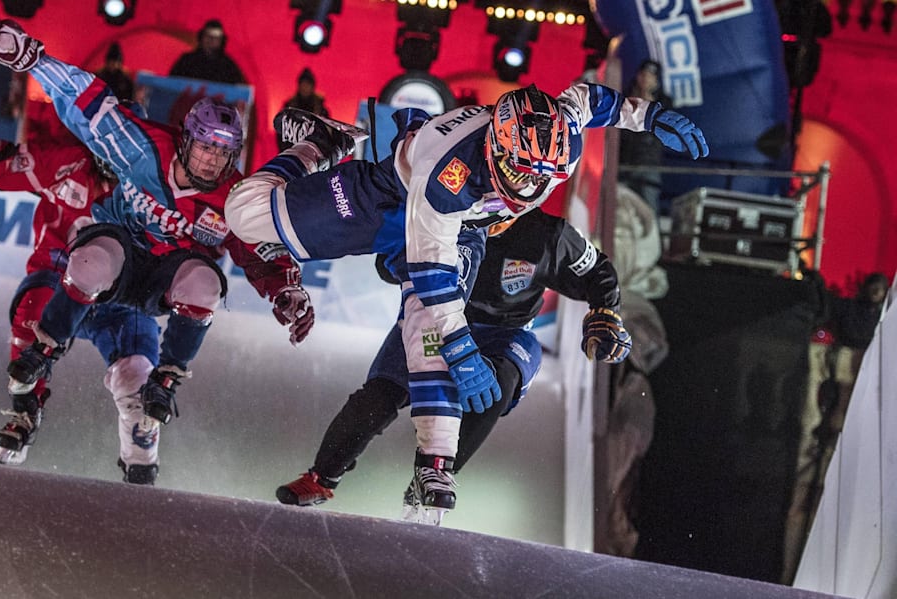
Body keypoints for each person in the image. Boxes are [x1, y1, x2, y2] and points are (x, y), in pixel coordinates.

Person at [225, 82, 707, 517]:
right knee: (244, 214)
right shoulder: (450, 176)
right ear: (494, 147)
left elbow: (589, 101)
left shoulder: (556, 161)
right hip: (395, 198)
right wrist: (460, 348)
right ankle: (321, 144)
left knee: (441, 344)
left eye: (543, 176)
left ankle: (436, 467)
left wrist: (647, 116)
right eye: (518, 171)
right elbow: (430, 273)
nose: (528, 187)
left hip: (468, 249)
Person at [0, 20, 314, 481]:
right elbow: (86, 103)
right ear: (185, 139)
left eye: (223, 153)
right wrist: (34, 60)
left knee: (198, 295)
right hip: (98, 265)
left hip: (147, 290)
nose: (212, 160)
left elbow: (259, 247)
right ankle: (31, 387)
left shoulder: (231, 197)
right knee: (71, 275)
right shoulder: (134, 149)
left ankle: (148, 441)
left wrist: (284, 290)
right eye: (206, 148)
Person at [276, 208, 629, 524]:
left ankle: (435, 474)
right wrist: (407, 251)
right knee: (380, 396)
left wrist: (605, 312)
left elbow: (597, 269)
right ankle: (322, 477)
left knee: (495, 388)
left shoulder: (549, 235)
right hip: (437, 321)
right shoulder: (439, 210)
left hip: (506, 333)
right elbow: (387, 266)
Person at [0, 123, 174, 484]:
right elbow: (6, 163)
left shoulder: (158, 191)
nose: (117, 161)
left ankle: (141, 464)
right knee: (33, 310)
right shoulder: (66, 163)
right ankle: (25, 408)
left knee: (137, 375)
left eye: (128, 151)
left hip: (120, 298)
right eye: (111, 147)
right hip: (59, 282)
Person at [617, 60, 672, 212]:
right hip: (623, 162)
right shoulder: (625, 97)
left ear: (656, 80)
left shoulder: (665, 102)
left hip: (648, 165)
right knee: (619, 207)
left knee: (649, 210)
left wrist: (648, 100)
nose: (645, 79)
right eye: (643, 75)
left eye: (650, 76)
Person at [167, 19, 246, 85]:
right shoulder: (186, 60)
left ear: (221, 41)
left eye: (216, 38)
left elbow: (237, 90)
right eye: (208, 36)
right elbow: (172, 84)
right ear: (201, 37)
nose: (211, 40)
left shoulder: (228, 66)